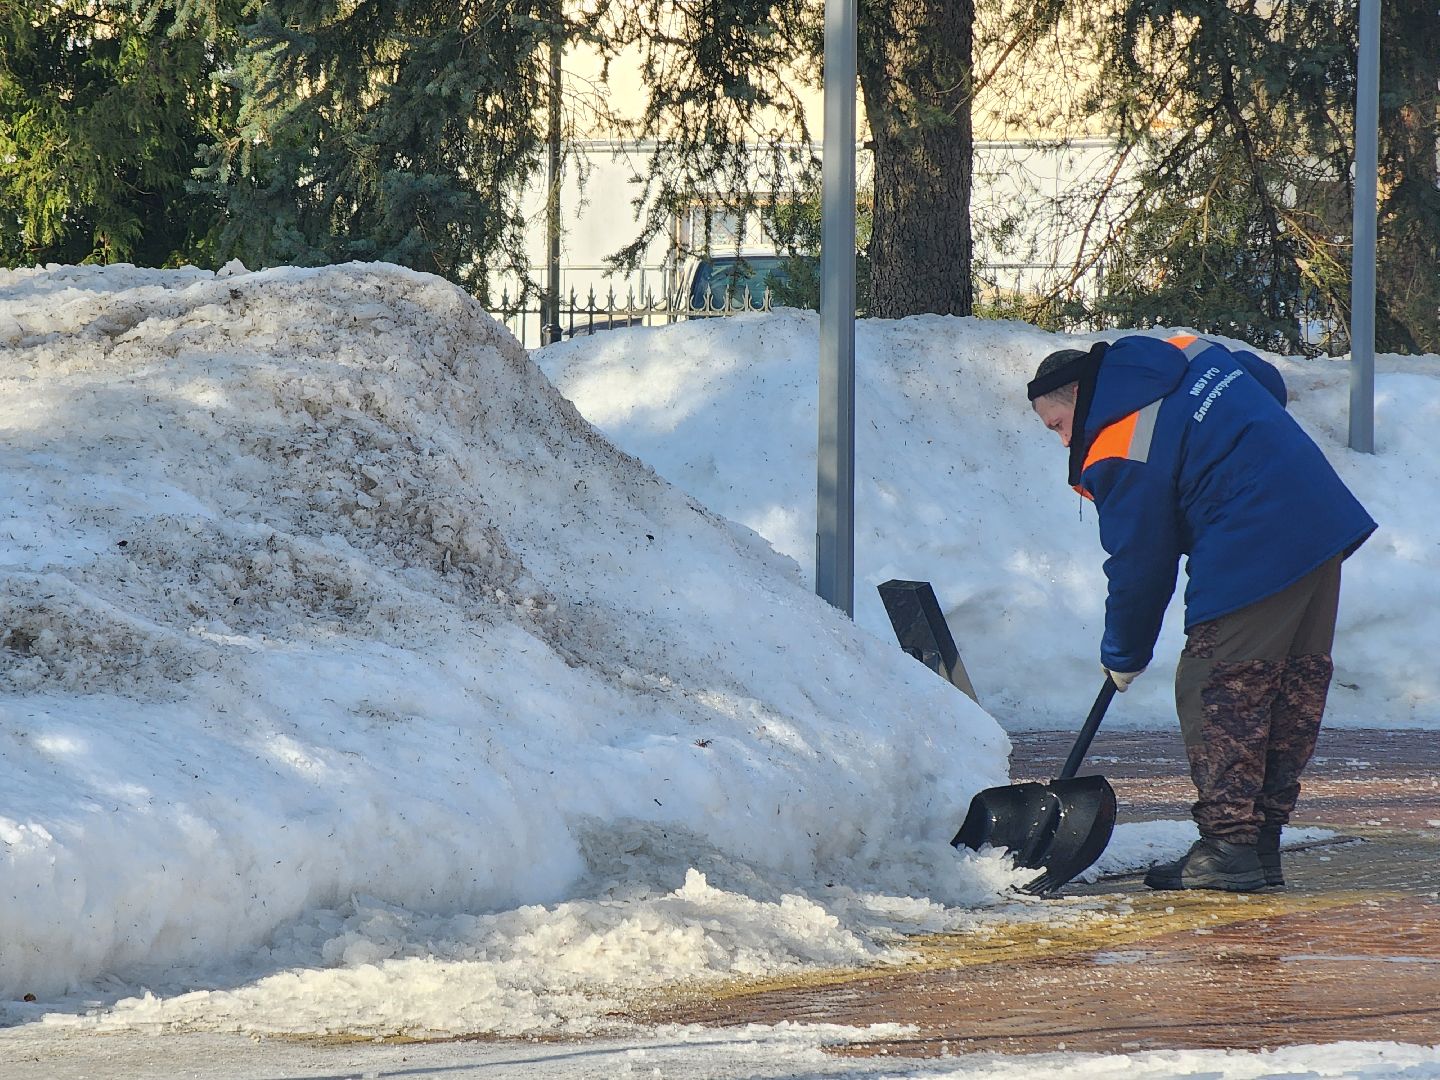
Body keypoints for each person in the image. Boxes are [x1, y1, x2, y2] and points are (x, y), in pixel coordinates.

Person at [1028, 335, 1375, 892]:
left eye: (1058, 424)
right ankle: (1259, 845)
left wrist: (1123, 654)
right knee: (1291, 683)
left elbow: (1140, 563)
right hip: (1320, 522)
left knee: (1218, 685)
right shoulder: (1186, 354)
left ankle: (1230, 849)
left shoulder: (1119, 446)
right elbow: (1265, 381)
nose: (1064, 439)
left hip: (1252, 540)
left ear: (1082, 397)